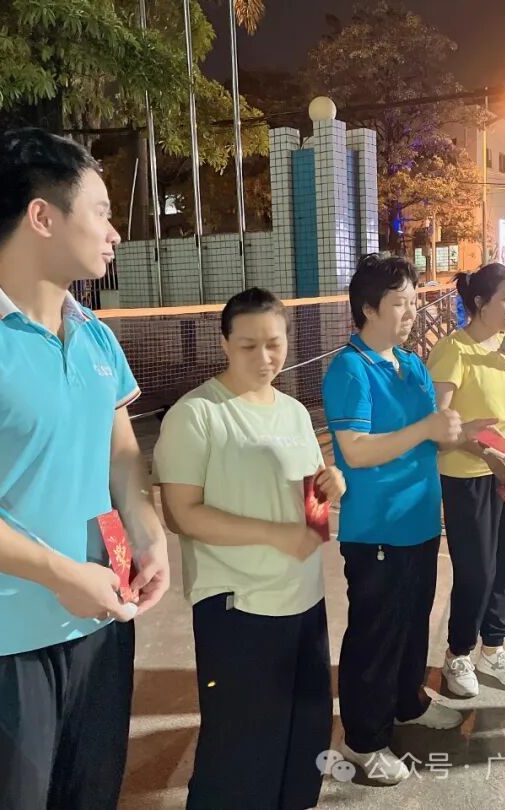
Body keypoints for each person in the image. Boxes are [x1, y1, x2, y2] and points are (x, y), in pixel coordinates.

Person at [0, 128, 170, 809]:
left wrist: (148, 534)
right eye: (101, 211)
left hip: (100, 629)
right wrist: (58, 573)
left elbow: (121, 456)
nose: (114, 233)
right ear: (42, 216)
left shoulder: (96, 335)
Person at [154, 287, 345, 810]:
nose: (264, 357)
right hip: (238, 607)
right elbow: (180, 514)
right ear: (224, 344)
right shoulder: (198, 414)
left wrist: (330, 486)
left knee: (303, 736)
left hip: (304, 601)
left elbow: (309, 499)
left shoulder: (294, 412)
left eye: (274, 344)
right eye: (248, 346)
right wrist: (273, 534)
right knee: (240, 752)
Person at [323, 253, 494, 784]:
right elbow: (356, 450)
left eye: (414, 302)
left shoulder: (411, 364)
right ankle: (362, 739)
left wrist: (468, 435)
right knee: (375, 635)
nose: (411, 313)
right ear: (368, 309)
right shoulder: (350, 369)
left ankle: (407, 703)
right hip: (377, 528)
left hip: (419, 521)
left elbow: (430, 437)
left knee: (413, 622)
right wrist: (426, 430)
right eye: (400, 303)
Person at [427, 262, 505, 699]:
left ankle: (493, 648)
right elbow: (440, 425)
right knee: (476, 569)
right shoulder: (452, 350)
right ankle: (458, 652)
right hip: (470, 472)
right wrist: (485, 453)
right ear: (480, 302)